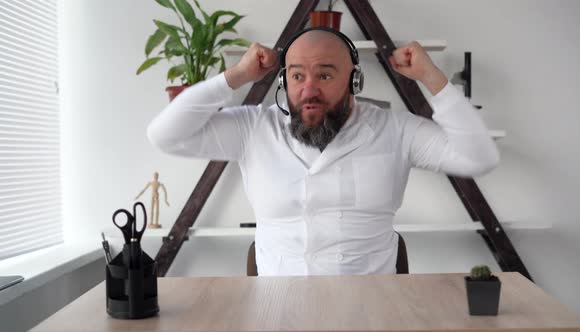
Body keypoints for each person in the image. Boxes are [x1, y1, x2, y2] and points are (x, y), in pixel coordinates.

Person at [146, 28, 499, 276]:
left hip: (372, 313)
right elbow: (165, 135)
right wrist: (237, 76)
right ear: (284, 81)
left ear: (354, 81)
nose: (308, 89)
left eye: (325, 76)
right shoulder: (253, 128)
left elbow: (480, 157)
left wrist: (431, 76)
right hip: (276, 312)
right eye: (297, 76)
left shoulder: (395, 130)